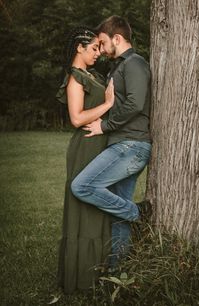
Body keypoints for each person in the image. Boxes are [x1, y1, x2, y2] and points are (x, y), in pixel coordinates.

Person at [71, 15, 152, 268]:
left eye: (103, 42)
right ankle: (119, 272)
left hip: (131, 145)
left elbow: (135, 104)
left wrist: (105, 125)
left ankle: (139, 215)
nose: (102, 49)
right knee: (117, 213)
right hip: (123, 145)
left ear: (117, 38)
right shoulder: (119, 66)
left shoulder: (135, 63)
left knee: (82, 186)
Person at [56, 27, 115, 293]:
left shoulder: (91, 74)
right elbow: (77, 118)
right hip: (85, 148)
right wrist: (107, 105)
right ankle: (80, 279)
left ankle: (99, 274)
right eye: (93, 48)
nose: (97, 54)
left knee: (98, 205)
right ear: (79, 47)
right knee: (84, 206)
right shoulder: (75, 78)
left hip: (100, 144)